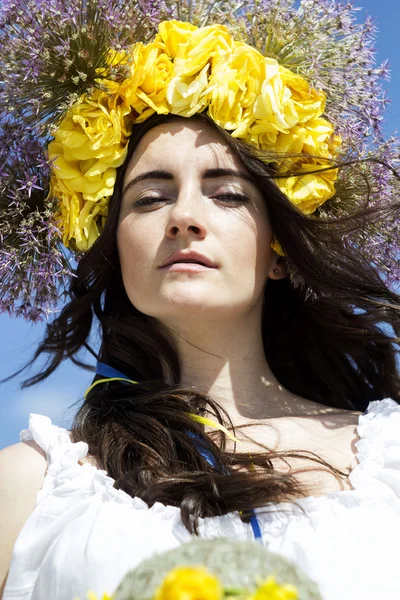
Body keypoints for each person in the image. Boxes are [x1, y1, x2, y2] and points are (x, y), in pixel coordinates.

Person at [1, 2, 400, 599]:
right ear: (115, 250)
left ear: (278, 252)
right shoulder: (31, 484)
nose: (185, 216)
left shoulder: (389, 461)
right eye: (150, 198)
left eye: (228, 195)